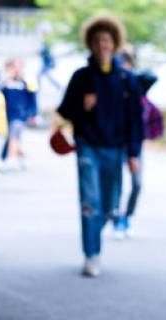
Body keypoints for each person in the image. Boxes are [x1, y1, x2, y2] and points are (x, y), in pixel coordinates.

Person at [55, 15, 143, 278]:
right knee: (89, 202)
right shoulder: (81, 78)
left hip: (115, 149)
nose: (102, 45)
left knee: (108, 206)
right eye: (97, 40)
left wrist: (133, 153)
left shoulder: (127, 80)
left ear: (114, 43)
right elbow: (65, 110)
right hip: (88, 147)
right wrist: (82, 107)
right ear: (91, 44)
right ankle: (92, 253)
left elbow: (135, 121)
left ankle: (96, 232)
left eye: (106, 40)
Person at [114, 49, 163, 237]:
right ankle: (116, 217)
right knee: (116, 183)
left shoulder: (136, 85)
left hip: (135, 144)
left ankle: (127, 216)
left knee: (137, 183)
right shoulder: (113, 86)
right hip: (117, 143)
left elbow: (152, 76)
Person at [0, 59, 38, 169]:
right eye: (13, 67)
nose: (15, 69)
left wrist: (33, 114)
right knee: (14, 138)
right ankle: (23, 157)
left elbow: (33, 99)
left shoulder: (27, 82)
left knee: (13, 138)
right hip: (8, 115)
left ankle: (8, 160)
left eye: (18, 66)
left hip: (20, 115)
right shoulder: (7, 82)